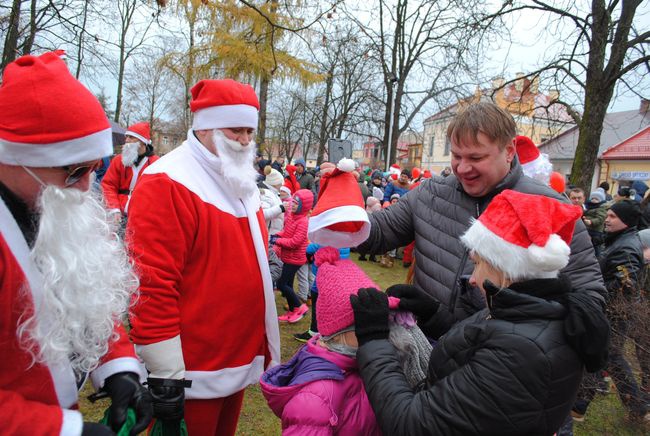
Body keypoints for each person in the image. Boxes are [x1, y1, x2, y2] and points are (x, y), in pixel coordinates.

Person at [349, 189, 610, 435]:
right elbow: (482, 341)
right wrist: (432, 312)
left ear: (504, 268)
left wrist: (373, 340)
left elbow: (412, 424)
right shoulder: (530, 311)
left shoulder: (519, 353)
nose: (472, 279)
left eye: (477, 264)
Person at [357, 101, 605, 337]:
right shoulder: (431, 192)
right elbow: (376, 232)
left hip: (496, 363)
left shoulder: (551, 207)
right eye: (456, 156)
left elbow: (588, 299)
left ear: (508, 151)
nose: (463, 168)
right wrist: (340, 196)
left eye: (476, 158)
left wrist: (522, 338)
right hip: (424, 347)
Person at [0, 51, 151, 435]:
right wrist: (63, 430)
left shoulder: (47, 202)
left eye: (95, 169)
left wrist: (118, 369)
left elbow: (86, 291)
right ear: (15, 160)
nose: (87, 186)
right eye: (74, 172)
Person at [126, 78, 281, 435]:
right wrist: (166, 373)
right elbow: (151, 284)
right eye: (235, 129)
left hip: (236, 355)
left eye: (249, 131)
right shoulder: (168, 180)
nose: (244, 140)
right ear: (206, 126)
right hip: (193, 366)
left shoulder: (238, 177)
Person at [261, 247, 388, 435]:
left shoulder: (364, 366)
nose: (376, 329)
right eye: (363, 324)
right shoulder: (314, 401)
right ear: (338, 333)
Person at [573, 200, 648, 422]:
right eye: (608, 214)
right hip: (609, 312)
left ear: (625, 221)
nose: (607, 218)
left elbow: (625, 283)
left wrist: (598, 297)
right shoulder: (619, 241)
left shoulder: (626, 247)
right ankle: (582, 405)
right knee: (606, 357)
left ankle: (636, 407)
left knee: (606, 356)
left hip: (613, 314)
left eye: (613, 216)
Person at [101, 122, 158, 222]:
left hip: (141, 215)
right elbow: (108, 185)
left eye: (131, 137)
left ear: (142, 142)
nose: (126, 140)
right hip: (118, 213)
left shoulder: (156, 163)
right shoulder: (118, 160)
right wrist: (114, 208)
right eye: (126, 137)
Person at [273, 189, 313, 323]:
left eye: (297, 203)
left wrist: (277, 241)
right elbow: (287, 232)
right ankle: (291, 311)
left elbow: (295, 242)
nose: (293, 205)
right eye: (293, 202)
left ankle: (299, 306)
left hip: (295, 259)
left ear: (304, 206)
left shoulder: (303, 222)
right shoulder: (291, 215)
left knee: (281, 283)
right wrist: (278, 235)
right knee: (288, 284)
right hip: (287, 256)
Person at [259, 166, 286, 236]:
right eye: (280, 183)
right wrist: (281, 208)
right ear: (275, 183)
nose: (281, 185)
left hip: (272, 234)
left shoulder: (274, 193)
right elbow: (263, 214)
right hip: (268, 235)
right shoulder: (266, 194)